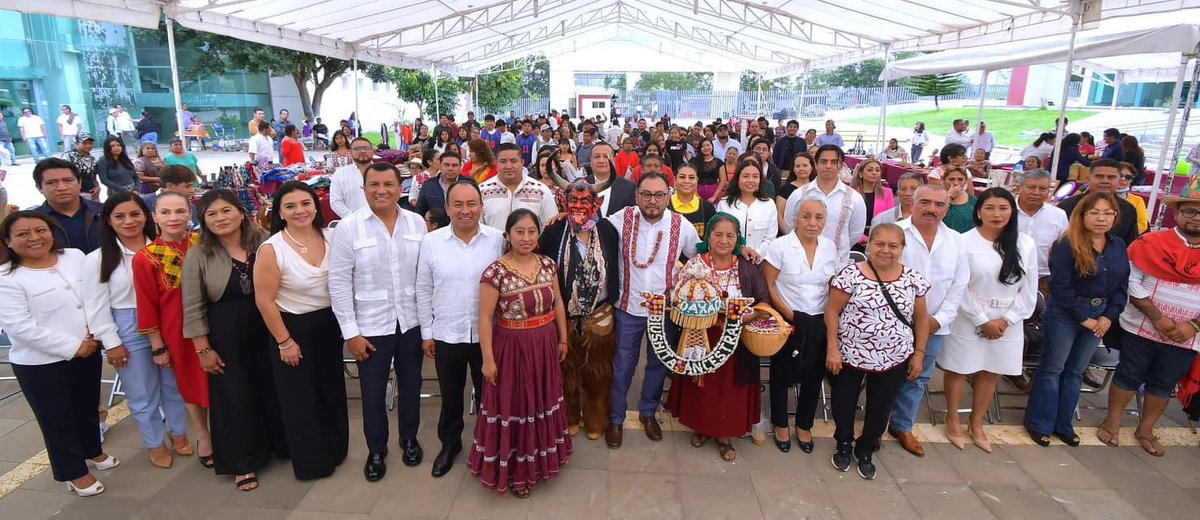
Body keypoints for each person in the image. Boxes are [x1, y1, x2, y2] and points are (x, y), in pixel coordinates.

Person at [0, 211, 120, 497]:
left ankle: (93, 451)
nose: (34, 238)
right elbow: (20, 327)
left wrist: (95, 334)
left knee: (87, 407)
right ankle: (73, 471)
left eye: (40, 230)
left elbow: (93, 296)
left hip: (88, 350)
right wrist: (73, 346)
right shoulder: (7, 278)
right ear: (8, 241)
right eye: (23, 234)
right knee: (57, 418)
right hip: (43, 363)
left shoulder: (75, 257)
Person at [329, 164, 427, 481]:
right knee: (372, 394)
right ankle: (376, 449)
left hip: (411, 323)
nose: (381, 190)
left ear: (401, 188)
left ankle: (409, 438)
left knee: (411, 387)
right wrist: (351, 334)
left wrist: (428, 327)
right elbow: (340, 283)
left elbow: (425, 278)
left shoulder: (416, 222)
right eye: (374, 184)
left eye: (388, 184)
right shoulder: (348, 227)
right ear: (364, 188)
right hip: (370, 328)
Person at [182, 189, 285, 492]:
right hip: (226, 332)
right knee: (234, 396)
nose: (220, 218)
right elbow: (192, 306)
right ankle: (243, 462)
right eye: (211, 214)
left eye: (226, 211)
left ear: (240, 212)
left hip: (267, 325)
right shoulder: (199, 253)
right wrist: (204, 349)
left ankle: (278, 444)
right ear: (203, 221)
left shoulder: (265, 241)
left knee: (272, 386)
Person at [467, 209, 572, 498]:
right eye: (520, 232)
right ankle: (516, 472)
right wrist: (488, 359)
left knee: (542, 399)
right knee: (517, 405)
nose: (526, 238)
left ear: (539, 234)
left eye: (531, 231)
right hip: (512, 349)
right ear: (508, 235)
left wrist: (563, 339)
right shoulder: (495, 273)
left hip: (545, 345)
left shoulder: (548, 265)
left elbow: (558, 304)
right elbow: (485, 318)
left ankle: (540, 461)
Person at [84, 193, 192, 470]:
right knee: (142, 391)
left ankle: (179, 433)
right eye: (120, 216)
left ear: (148, 215)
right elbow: (95, 307)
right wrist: (112, 342)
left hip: (168, 321)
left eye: (135, 214)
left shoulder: (163, 248)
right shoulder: (98, 259)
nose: (129, 221)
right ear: (108, 221)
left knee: (173, 385)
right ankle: (155, 443)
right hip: (127, 327)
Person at [254, 182, 348, 480]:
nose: (300, 211)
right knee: (300, 398)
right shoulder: (272, 249)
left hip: (328, 325)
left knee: (331, 390)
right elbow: (265, 301)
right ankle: (311, 462)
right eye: (290, 206)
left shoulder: (332, 237)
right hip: (292, 327)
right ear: (279, 212)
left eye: (305, 204)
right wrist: (285, 341)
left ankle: (336, 448)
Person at [1096, 188, 1200, 456]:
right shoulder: (1150, 243)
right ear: (1177, 213)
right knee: (1128, 374)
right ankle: (1113, 421)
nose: (1196, 217)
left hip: (1187, 335)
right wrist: (1157, 317)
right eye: (1190, 211)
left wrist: (1193, 326)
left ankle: (1146, 429)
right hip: (1142, 326)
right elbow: (1129, 280)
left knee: (1165, 382)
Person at [825, 223, 929, 479]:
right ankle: (844, 442)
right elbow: (832, 311)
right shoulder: (850, 275)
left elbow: (922, 320)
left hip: (894, 357)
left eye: (893, 246)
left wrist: (919, 354)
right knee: (844, 402)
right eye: (880, 244)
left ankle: (867, 446)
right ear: (869, 245)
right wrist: (832, 348)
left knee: (881, 406)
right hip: (850, 354)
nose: (885, 250)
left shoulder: (913, 279)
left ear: (902, 249)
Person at [416, 181, 505, 478]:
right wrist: (427, 333)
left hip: (489, 336)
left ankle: (488, 445)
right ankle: (450, 444)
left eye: (471, 204)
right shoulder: (431, 242)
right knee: (450, 395)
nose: (465, 211)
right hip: (447, 333)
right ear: (448, 208)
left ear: (481, 206)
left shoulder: (497, 240)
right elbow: (423, 288)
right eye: (458, 204)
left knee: (489, 396)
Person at [1025, 192, 1129, 447]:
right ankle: (1040, 422)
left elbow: (1121, 285)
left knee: (1076, 371)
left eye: (1107, 213)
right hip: (1066, 314)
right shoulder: (1067, 244)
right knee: (1053, 368)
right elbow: (1060, 286)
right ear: (1082, 216)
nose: (1101, 219)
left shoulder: (1117, 246)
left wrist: (1108, 316)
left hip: (1101, 314)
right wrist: (1083, 318)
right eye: (1094, 213)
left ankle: (1064, 423)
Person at [604, 173, 700, 448]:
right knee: (622, 366)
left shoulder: (682, 225)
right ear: (637, 195)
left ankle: (648, 413)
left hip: (665, 310)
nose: (653, 201)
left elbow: (698, 258)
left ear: (668, 196)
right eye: (646, 194)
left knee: (658, 364)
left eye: (659, 195)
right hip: (628, 307)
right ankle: (616, 417)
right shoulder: (621, 218)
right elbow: (590, 228)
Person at [940, 188, 1038, 453]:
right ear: (979, 211)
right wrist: (982, 320)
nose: (997, 214)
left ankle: (977, 421)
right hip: (970, 316)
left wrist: (1007, 320)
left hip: (1008, 318)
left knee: (990, 371)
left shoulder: (1025, 244)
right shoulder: (963, 242)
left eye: (1003, 208)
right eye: (990, 208)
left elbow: (1029, 289)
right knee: (959, 369)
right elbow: (958, 286)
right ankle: (952, 418)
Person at [667, 213, 771, 462]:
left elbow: (763, 301)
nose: (723, 240)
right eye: (717, 234)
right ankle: (701, 427)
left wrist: (743, 318)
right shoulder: (695, 264)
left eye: (729, 235)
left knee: (728, 392)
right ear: (708, 237)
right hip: (700, 335)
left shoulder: (747, 266)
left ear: (738, 239)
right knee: (701, 386)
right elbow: (678, 296)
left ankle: (725, 434)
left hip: (736, 340)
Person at [883, 185, 970, 457]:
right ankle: (876, 423)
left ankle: (902, 425)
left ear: (947, 209)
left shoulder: (957, 241)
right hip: (893, 322)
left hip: (936, 324)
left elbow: (959, 285)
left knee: (918, 377)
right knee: (884, 375)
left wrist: (938, 320)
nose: (932, 209)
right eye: (925, 202)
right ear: (913, 202)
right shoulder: (895, 234)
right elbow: (882, 274)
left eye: (939, 204)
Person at [133, 191, 213, 469]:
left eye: (180, 211)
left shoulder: (202, 242)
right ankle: (203, 434)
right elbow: (147, 304)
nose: (173, 218)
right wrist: (158, 346)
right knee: (191, 383)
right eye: (165, 212)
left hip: (214, 322)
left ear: (190, 214)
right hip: (177, 331)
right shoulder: (146, 257)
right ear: (154, 217)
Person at [539, 171, 619, 440]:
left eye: (586, 200)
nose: (579, 206)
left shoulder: (607, 229)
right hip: (564, 317)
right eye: (573, 199)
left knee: (598, 374)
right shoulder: (553, 231)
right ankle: (570, 416)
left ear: (597, 203)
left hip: (600, 315)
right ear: (564, 201)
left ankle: (596, 418)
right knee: (566, 372)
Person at [763, 198, 838, 454]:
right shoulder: (780, 246)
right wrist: (790, 315)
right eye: (806, 216)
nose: (812, 223)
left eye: (818, 217)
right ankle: (781, 422)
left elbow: (831, 286)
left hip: (819, 319)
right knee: (782, 372)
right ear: (795, 218)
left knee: (813, 374)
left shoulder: (830, 247)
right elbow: (770, 284)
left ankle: (804, 424)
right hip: (787, 318)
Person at [782, 145, 867, 264]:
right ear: (815, 164)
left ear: (842, 166)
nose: (828, 166)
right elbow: (789, 225)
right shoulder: (799, 194)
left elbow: (855, 234)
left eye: (834, 162)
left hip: (837, 264)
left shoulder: (854, 198)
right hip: (801, 262)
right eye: (823, 161)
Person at [1057, 159, 1140, 248]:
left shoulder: (1128, 210)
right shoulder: (1066, 206)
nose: (1105, 181)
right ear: (1088, 178)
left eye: (1111, 177)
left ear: (1119, 180)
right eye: (1099, 176)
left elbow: (1131, 245)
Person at [32, 158, 103, 253]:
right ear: (39, 187)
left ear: (79, 183)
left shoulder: (104, 212)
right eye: (52, 183)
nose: (62, 188)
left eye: (68, 181)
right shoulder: (32, 220)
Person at [1016, 169, 1070, 292]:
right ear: (1020, 187)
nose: (1036, 193)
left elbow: (1064, 248)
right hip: (1007, 276)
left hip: (1044, 279)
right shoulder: (1006, 211)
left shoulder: (1058, 215)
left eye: (1042, 189)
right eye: (1031, 187)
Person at [479, 143, 558, 228]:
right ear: (496, 163)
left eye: (513, 161)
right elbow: (477, 229)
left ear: (522, 163)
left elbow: (551, 227)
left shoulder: (542, 191)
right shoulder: (482, 191)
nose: (508, 166)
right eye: (503, 161)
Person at [716, 159, 777, 259]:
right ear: (738, 178)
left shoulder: (769, 204)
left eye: (755, 176)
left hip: (759, 261)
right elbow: (719, 234)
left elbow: (770, 238)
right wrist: (739, 249)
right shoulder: (724, 204)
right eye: (745, 176)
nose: (751, 180)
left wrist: (756, 254)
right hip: (729, 260)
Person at [849, 158, 895, 244]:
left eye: (877, 170)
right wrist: (864, 239)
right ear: (860, 173)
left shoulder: (887, 192)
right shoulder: (851, 193)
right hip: (854, 238)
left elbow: (890, 219)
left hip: (880, 238)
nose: (874, 173)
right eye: (870, 170)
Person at [586, 141, 637, 217]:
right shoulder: (580, 185)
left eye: (606, 156)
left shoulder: (629, 188)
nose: (601, 161)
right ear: (590, 160)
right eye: (597, 156)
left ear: (613, 159)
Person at [328, 137, 375, 218]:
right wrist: (353, 218)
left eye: (366, 148)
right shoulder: (340, 174)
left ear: (372, 150)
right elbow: (336, 202)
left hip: (382, 222)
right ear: (350, 152)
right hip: (352, 223)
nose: (362, 151)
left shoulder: (383, 172)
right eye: (357, 149)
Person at [414, 152, 470, 216]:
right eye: (446, 165)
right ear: (440, 166)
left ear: (460, 166)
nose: (450, 169)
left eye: (454, 165)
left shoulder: (469, 184)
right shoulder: (428, 186)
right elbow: (419, 212)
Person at [669, 164, 717, 236]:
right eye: (682, 177)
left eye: (691, 177)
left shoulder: (707, 207)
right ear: (675, 180)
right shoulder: (665, 206)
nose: (687, 181)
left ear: (697, 181)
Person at [776, 152, 816, 231]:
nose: (801, 169)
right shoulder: (784, 190)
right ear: (793, 169)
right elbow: (780, 216)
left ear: (812, 167)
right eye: (798, 166)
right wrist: (788, 235)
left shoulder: (816, 188)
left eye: (805, 165)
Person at [940, 167, 977, 233]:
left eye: (960, 179)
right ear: (943, 180)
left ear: (965, 181)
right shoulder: (936, 198)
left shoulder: (972, 200)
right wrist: (950, 196)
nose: (956, 183)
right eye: (951, 179)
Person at [1117, 162, 1149, 233]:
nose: (1123, 179)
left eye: (1128, 177)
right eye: (1120, 175)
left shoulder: (1137, 200)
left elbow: (1143, 224)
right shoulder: (1101, 197)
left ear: (1131, 180)